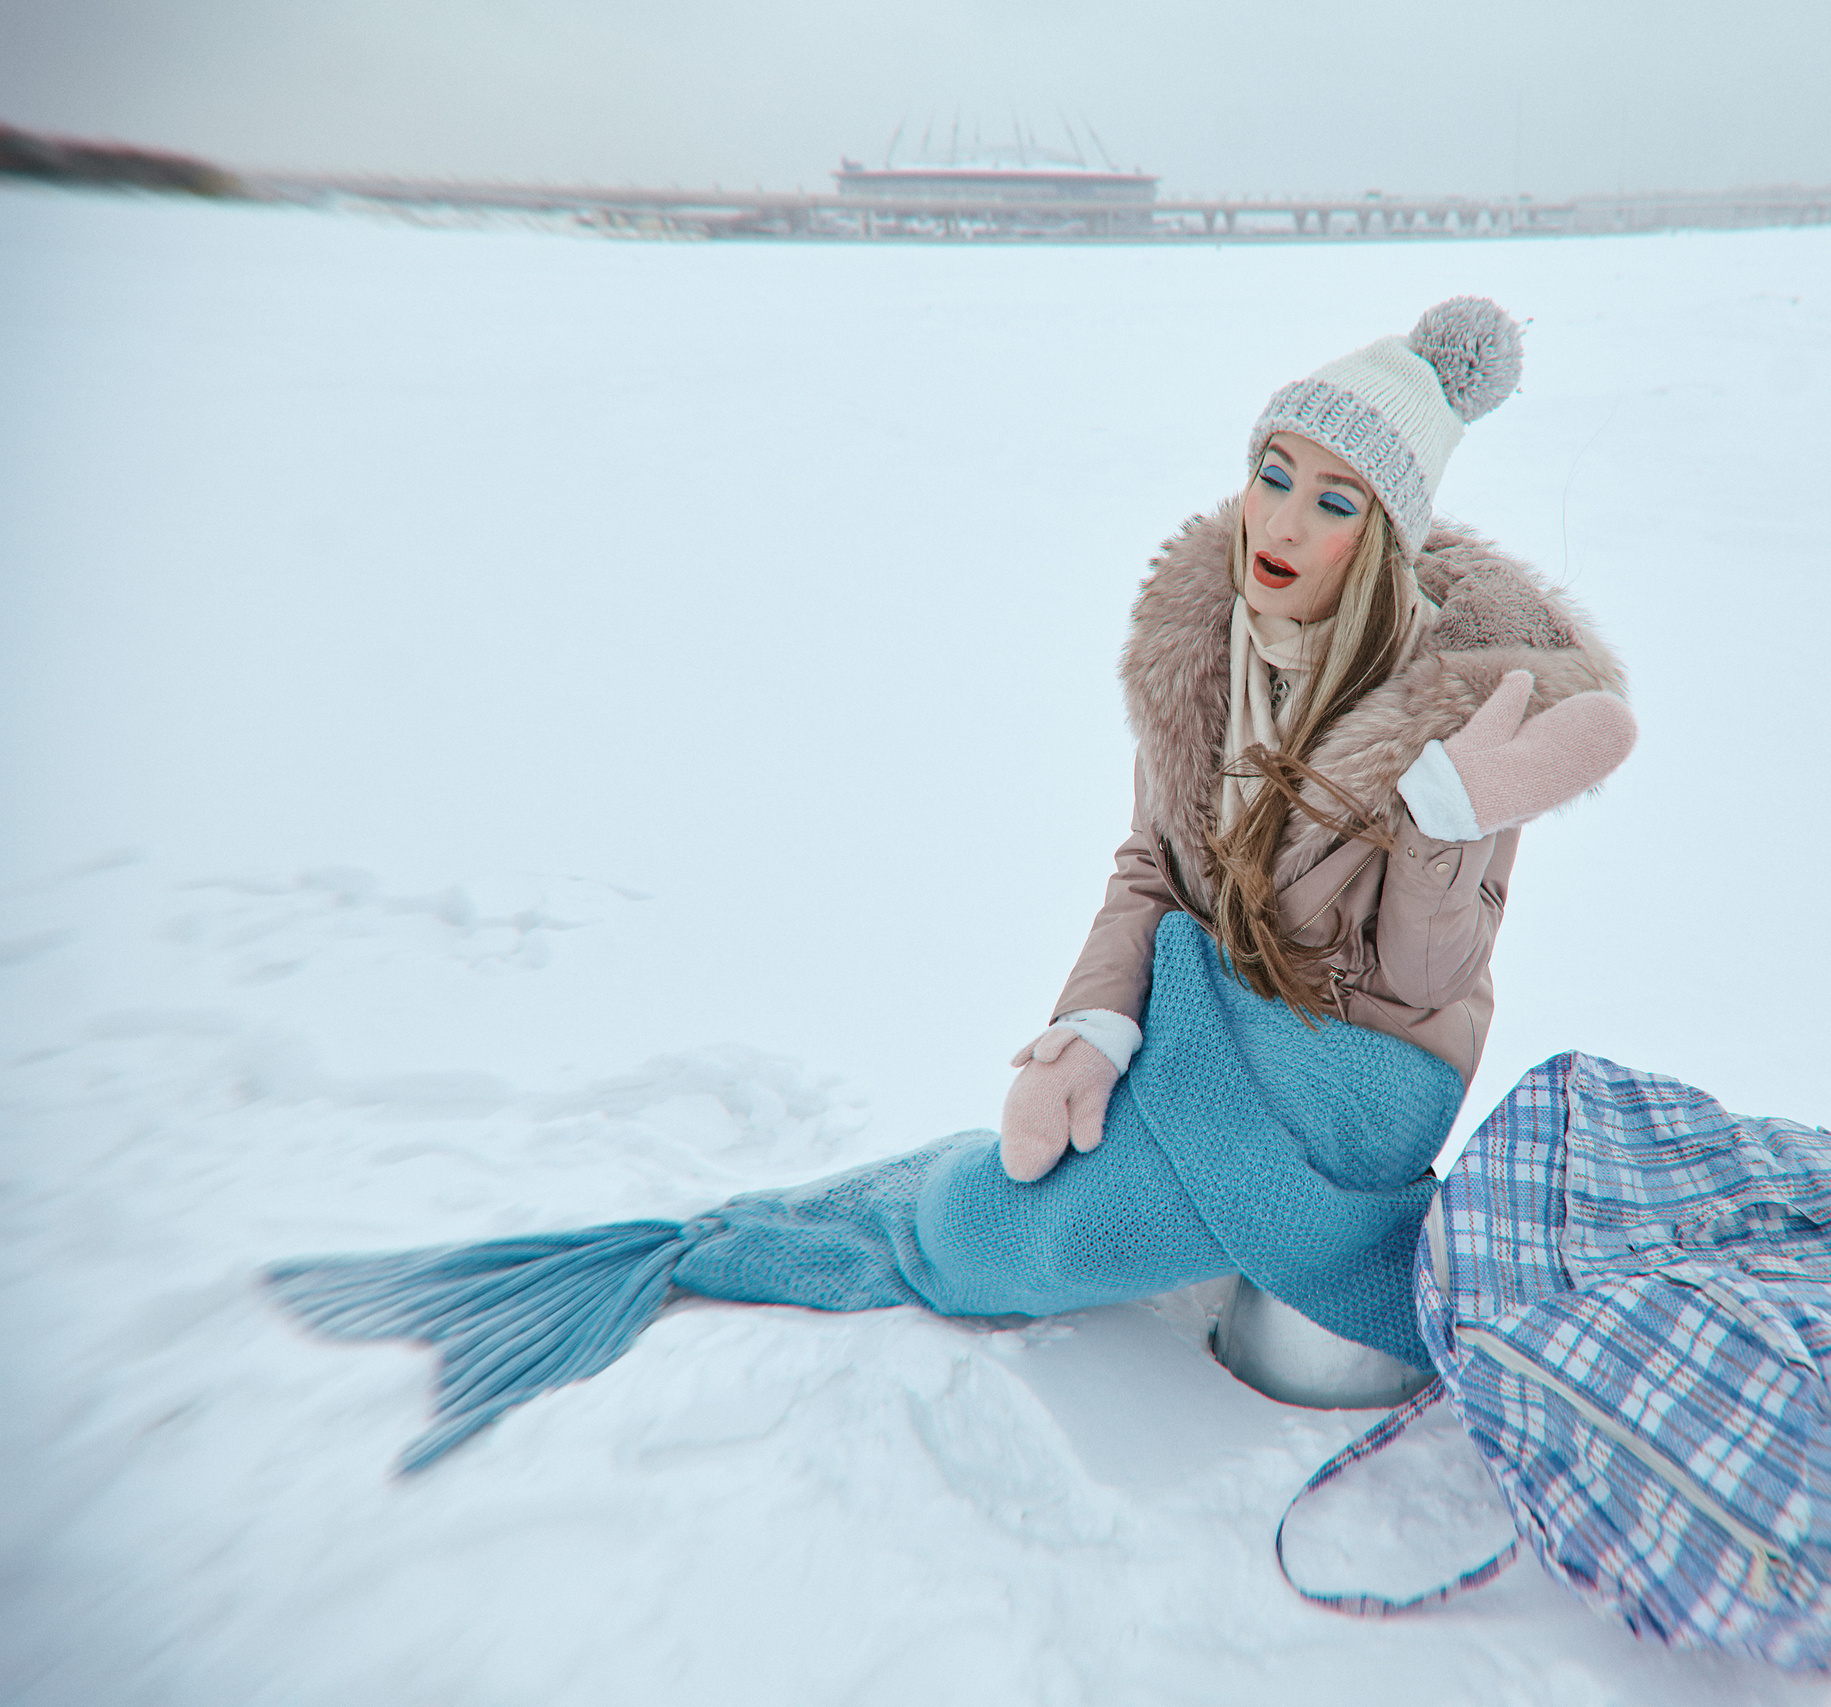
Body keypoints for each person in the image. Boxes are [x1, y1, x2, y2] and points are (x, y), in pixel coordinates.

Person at [265, 296, 1638, 1474]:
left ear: (1384, 535)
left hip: (1354, 1082)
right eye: (1272, 472)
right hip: (1209, 1031)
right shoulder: (1210, 653)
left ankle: (1222, 1224)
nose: (1280, 520)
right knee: (1018, 1197)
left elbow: (1418, 989)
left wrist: (1450, 822)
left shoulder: (1473, 707)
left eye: (1334, 500)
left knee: (1109, 1280)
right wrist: (1091, 1028)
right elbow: (1151, 869)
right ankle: (705, 1249)